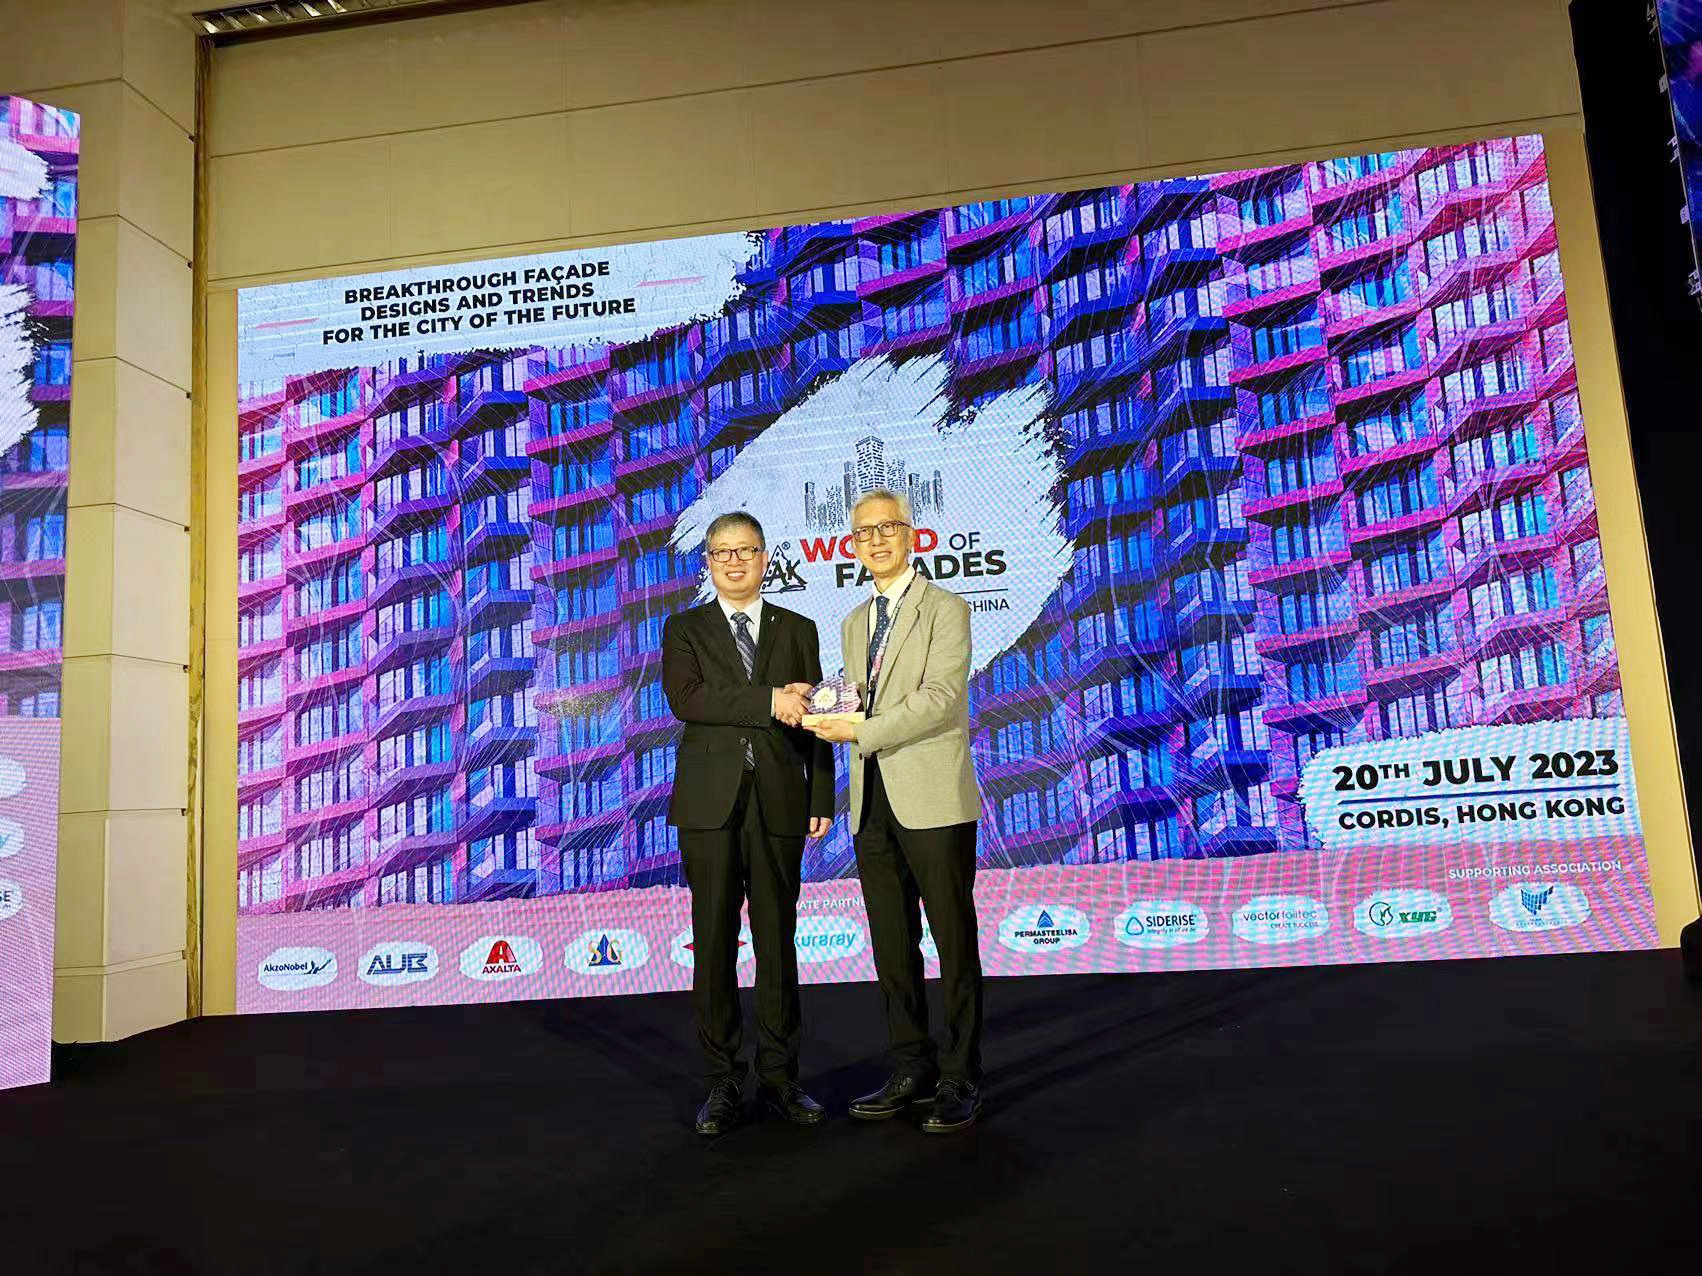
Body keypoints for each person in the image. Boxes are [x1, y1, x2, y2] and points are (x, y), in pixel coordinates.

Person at [806, 488, 985, 1134]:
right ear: (852, 546)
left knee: (953, 941)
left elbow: (940, 699)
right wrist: (821, 708)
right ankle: (912, 1066)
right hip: (871, 800)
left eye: (887, 528)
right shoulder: (855, 622)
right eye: (863, 533)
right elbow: (858, 699)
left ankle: (961, 1075)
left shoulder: (946, 608)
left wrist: (860, 730)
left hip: (933, 796)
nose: (876, 540)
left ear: (912, 535)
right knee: (891, 943)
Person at [661, 511, 834, 1136]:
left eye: (746, 551)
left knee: (778, 941)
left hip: (781, 800)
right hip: (708, 805)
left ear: (765, 559)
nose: (734, 562)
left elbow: (814, 713)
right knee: (712, 941)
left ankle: (782, 1080)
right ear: (708, 562)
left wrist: (822, 794)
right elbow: (688, 700)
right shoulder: (684, 628)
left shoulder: (799, 628)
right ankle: (723, 1083)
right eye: (722, 552)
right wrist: (768, 700)